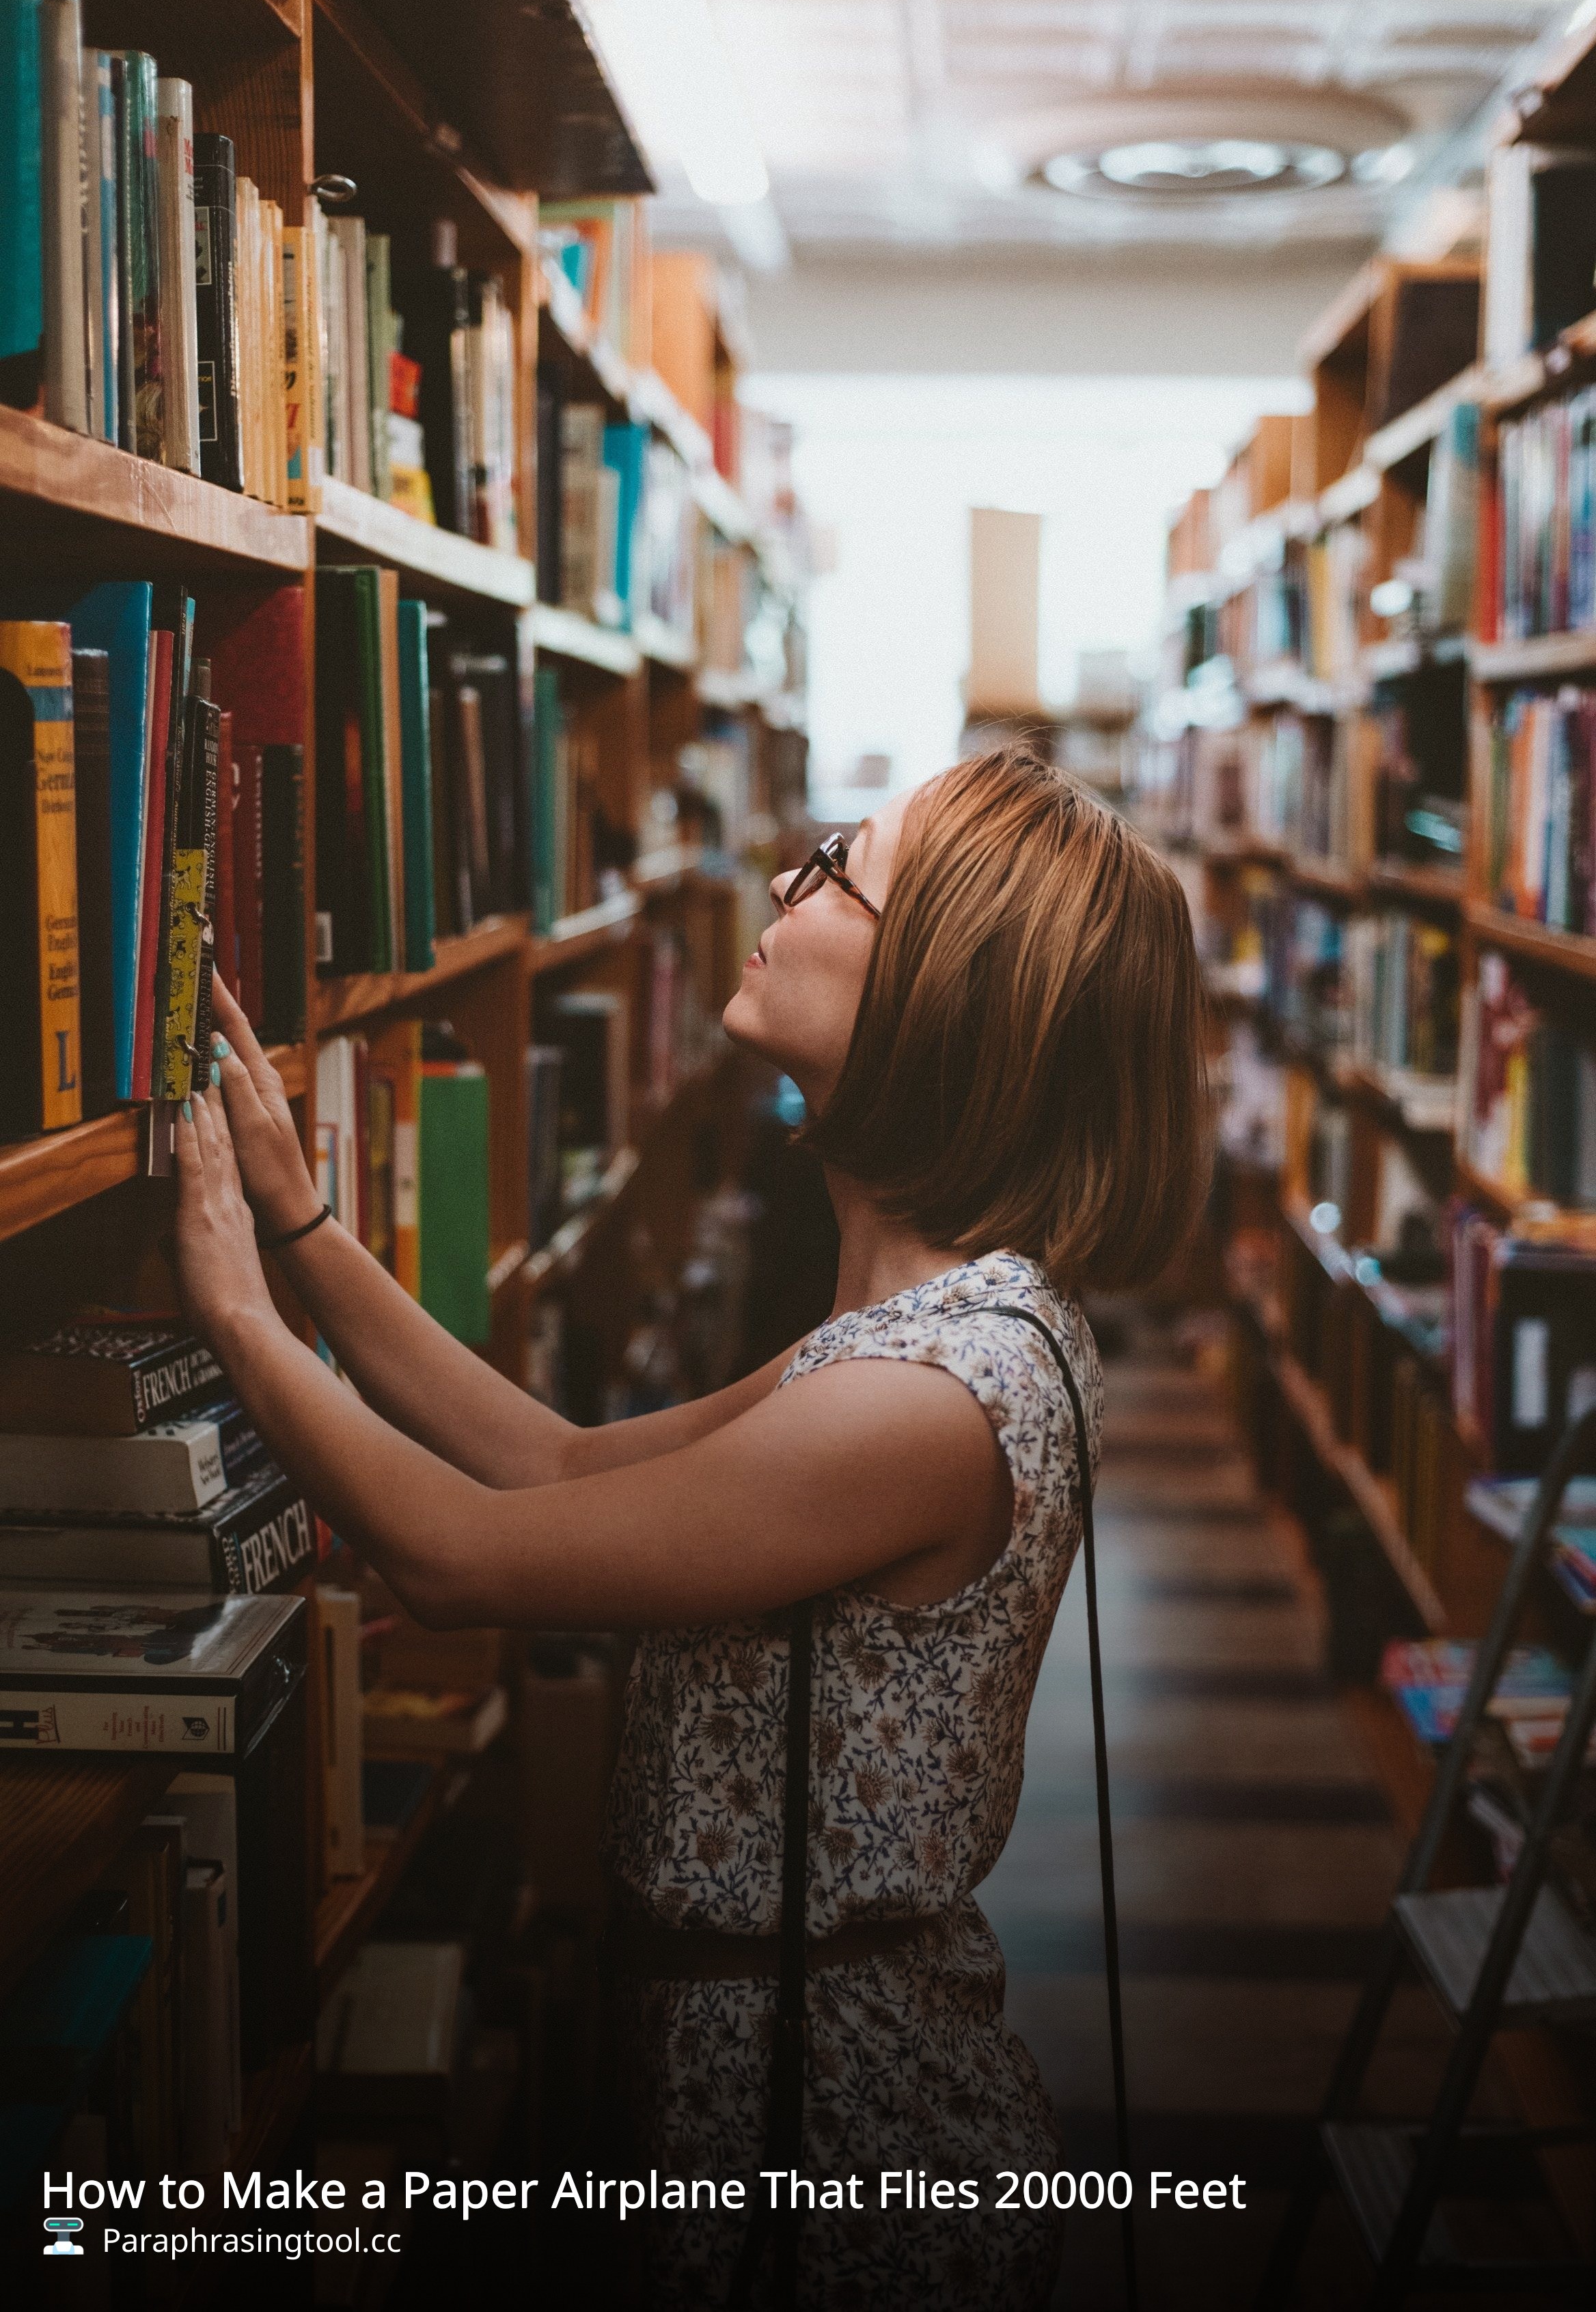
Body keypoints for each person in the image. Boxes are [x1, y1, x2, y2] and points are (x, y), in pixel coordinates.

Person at [174, 743, 1211, 2309]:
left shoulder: (928, 1396)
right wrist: (306, 1236)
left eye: (837, 866)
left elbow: (456, 1559)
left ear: (939, 998)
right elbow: (553, 1464)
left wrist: (236, 1318)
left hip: (838, 2143)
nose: (784, 882)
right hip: (765, 2070)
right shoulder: (927, 1327)